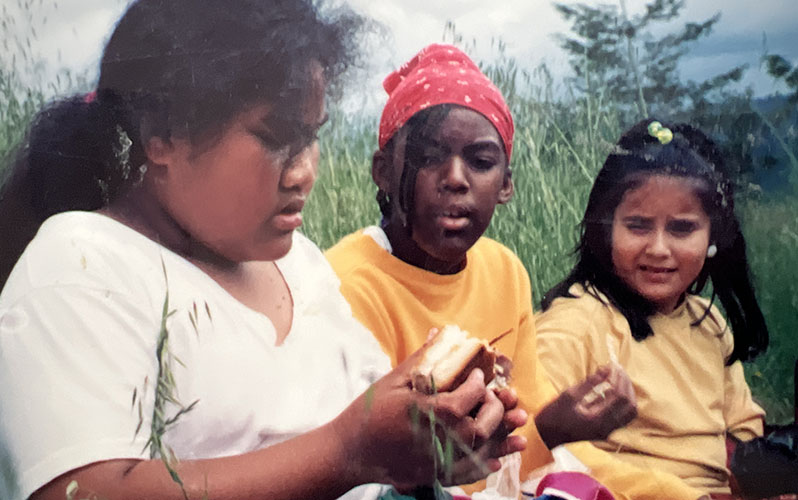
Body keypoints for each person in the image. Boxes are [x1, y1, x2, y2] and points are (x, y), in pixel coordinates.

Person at [0, 3, 529, 500]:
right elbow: (84, 490)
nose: (303, 172)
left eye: (312, 136)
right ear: (163, 136)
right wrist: (350, 452)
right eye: (275, 136)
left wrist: (439, 434)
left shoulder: (298, 264)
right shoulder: (84, 265)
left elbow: (369, 422)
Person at [325, 43, 638, 496]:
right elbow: (374, 479)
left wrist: (557, 425)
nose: (456, 178)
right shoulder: (349, 285)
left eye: (481, 161)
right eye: (430, 156)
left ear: (506, 184)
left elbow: (524, 436)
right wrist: (548, 430)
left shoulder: (503, 270)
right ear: (383, 173)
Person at [535, 118, 770, 500]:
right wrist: (673, 493)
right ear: (605, 229)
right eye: (638, 225)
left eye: (681, 228)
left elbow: (743, 429)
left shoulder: (707, 322)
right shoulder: (578, 323)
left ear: (713, 236)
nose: (659, 248)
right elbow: (537, 444)